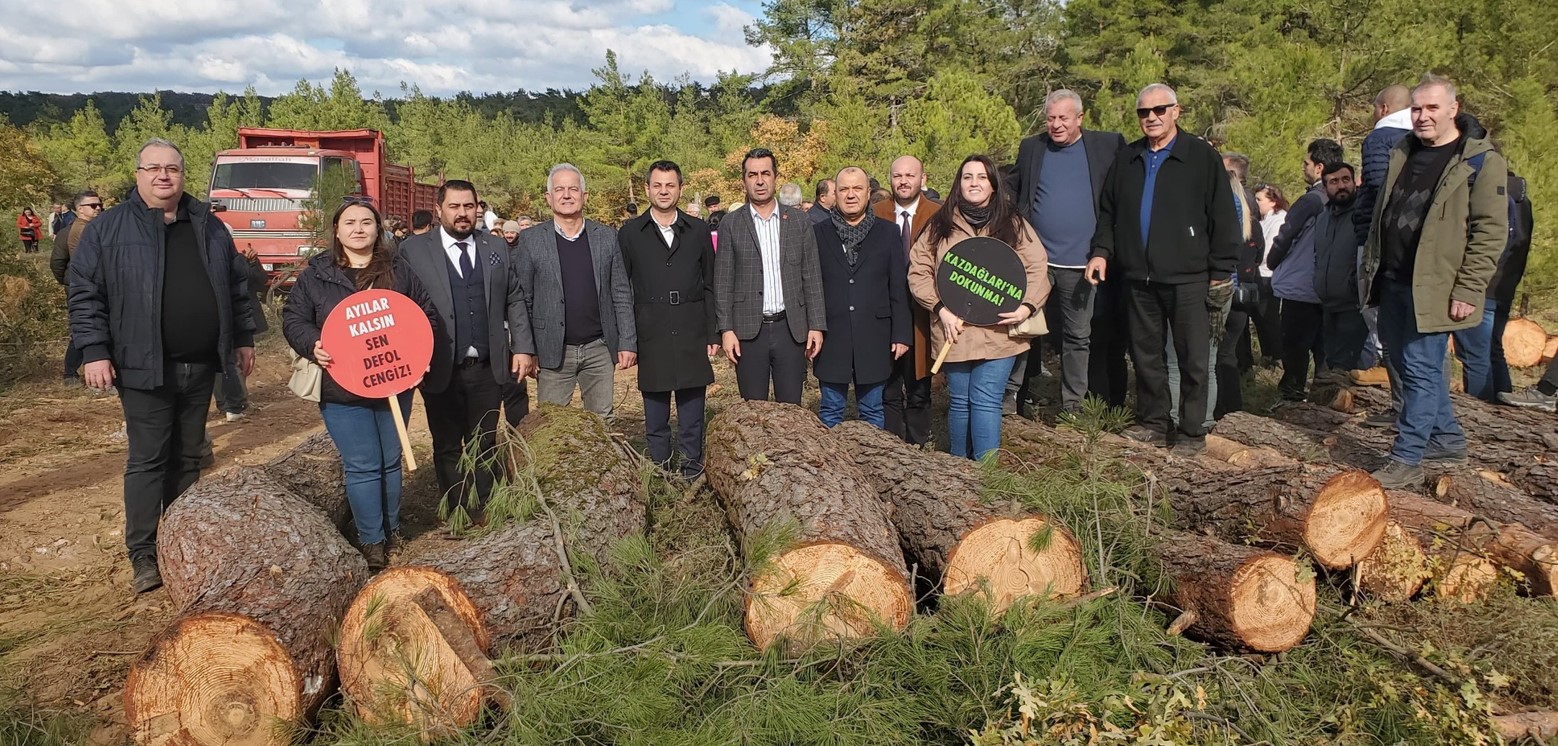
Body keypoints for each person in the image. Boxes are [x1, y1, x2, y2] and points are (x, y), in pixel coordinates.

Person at [68, 138, 258, 593]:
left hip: (199, 365)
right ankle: (144, 555)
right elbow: (85, 295)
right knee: (149, 459)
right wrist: (94, 350)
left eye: (171, 168)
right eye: (153, 168)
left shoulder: (208, 225)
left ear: (182, 174)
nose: (163, 176)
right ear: (138, 175)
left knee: (188, 459)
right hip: (141, 366)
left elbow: (236, 287)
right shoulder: (108, 230)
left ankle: (180, 545)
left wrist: (244, 338)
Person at [1361, 74, 1507, 489]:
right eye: (1417, 109)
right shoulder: (1403, 150)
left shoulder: (1478, 160)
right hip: (1392, 279)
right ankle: (1446, 438)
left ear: (1453, 109)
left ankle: (1407, 458)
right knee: (1403, 366)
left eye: (1432, 109)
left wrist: (1468, 287)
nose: (1423, 117)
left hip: (1438, 284)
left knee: (1423, 368)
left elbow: (1490, 232)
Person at [283, 201, 439, 570]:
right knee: (363, 464)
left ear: (378, 228)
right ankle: (372, 541)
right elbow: (294, 318)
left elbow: (425, 315)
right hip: (342, 387)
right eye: (350, 222)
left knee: (389, 460)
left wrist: (419, 358)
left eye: (366, 222)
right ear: (336, 230)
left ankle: (393, 530)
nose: (358, 229)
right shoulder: (317, 273)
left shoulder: (399, 270)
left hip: (393, 382)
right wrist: (312, 344)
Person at [1087, 83, 1239, 455]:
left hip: (1189, 277)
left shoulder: (1200, 157)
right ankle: (1153, 422)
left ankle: (1191, 432)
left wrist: (1220, 268)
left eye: (1159, 110)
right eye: (1143, 112)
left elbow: (1222, 215)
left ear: (1176, 111)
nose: (1151, 118)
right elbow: (1108, 212)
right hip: (1137, 277)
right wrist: (1102, 251)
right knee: (1145, 355)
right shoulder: (1128, 159)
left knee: (1193, 358)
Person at [399, 179, 533, 511]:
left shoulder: (496, 247)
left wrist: (523, 347)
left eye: (469, 207)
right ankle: (458, 509)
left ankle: (486, 506)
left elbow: (514, 298)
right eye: (455, 207)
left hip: (488, 366)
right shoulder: (413, 251)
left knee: (485, 441)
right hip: (439, 365)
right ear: (439, 210)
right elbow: (400, 307)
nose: (462, 214)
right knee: (447, 445)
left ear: (478, 209)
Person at [911, 155, 1049, 460]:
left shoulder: (1013, 223)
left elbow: (1037, 267)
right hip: (953, 331)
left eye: (982, 177)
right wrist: (940, 310)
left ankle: (986, 474)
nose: (974, 183)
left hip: (1000, 333)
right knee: (960, 400)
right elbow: (918, 271)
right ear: (958, 184)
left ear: (993, 185)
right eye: (967, 177)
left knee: (986, 398)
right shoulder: (939, 225)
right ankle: (960, 470)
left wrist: (1027, 307)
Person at [1005, 89, 1128, 416]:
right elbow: (1013, 188)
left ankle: (1073, 406)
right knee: (1022, 332)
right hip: (1036, 263)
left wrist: (1104, 249)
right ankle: (1010, 399)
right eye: (1050, 118)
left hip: (1082, 264)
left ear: (1080, 118)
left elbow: (1117, 201)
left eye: (1063, 118)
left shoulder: (1107, 146)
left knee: (1078, 338)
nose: (1056, 125)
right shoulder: (1032, 148)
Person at [514, 164, 635, 416]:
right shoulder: (531, 240)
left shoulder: (606, 237)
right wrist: (527, 349)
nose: (566, 195)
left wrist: (627, 341)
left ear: (584, 196)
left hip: (599, 348)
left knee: (602, 422)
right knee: (551, 425)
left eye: (573, 189)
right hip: (553, 351)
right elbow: (523, 299)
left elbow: (621, 293)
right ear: (549, 198)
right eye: (559, 189)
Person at [619, 161, 716, 478]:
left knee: (692, 411)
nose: (663, 191)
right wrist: (628, 339)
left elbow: (710, 283)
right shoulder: (631, 233)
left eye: (670, 185)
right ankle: (659, 472)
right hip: (652, 329)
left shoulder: (698, 229)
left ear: (680, 188)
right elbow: (622, 288)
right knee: (656, 414)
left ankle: (691, 469)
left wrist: (713, 334)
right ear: (647, 189)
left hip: (691, 327)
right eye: (657, 185)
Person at [714, 148, 826, 403]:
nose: (760, 180)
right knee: (754, 412)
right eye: (752, 175)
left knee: (791, 409)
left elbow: (811, 275)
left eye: (765, 173)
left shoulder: (798, 221)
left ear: (776, 177)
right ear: (744, 180)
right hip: (748, 332)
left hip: (791, 328)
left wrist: (816, 325)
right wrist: (726, 329)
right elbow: (723, 282)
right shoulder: (731, 224)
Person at [814, 167, 911, 428]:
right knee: (831, 410)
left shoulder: (888, 233)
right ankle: (830, 467)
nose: (851, 195)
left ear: (868, 193)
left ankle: (873, 465)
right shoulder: (818, 233)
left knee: (872, 409)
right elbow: (811, 285)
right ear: (834, 194)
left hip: (875, 334)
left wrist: (901, 333)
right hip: (832, 334)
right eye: (844, 189)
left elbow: (897, 286)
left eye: (857, 188)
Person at [1268, 138, 1345, 400]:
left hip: (1301, 287)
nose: (1304, 167)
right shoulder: (1345, 199)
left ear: (1320, 167)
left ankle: (1291, 398)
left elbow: (1286, 235)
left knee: (1295, 348)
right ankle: (1324, 397)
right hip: (1331, 287)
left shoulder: (1312, 201)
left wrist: (1272, 261)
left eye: (1307, 163)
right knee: (1324, 351)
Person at [875, 155, 941, 445]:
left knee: (919, 385)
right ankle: (891, 446)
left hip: (923, 314)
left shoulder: (939, 214)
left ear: (922, 179)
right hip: (885, 313)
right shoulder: (875, 212)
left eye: (910, 175)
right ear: (890, 180)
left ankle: (917, 444)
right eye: (898, 176)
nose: (903, 181)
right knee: (887, 385)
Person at [1311, 163, 1368, 373]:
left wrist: (1356, 286)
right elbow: (1318, 256)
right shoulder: (1322, 218)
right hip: (1327, 304)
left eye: (1346, 180)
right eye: (1334, 182)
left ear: (1354, 182)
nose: (1341, 186)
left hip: (1353, 306)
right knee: (1329, 362)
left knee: (1345, 367)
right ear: (1325, 187)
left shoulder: (1363, 216)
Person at [213, 244, 272, 422]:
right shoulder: (211, 261)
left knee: (238, 360)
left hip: (239, 317)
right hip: (221, 318)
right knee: (227, 361)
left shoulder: (240, 260)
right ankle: (232, 404)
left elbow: (261, 282)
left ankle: (235, 401)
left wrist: (254, 263)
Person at [51, 191, 103, 386]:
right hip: (80, 287)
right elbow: (57, 262)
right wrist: (68, 282)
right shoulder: (68, 232)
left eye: (99, 205)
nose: (98, 208)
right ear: (80, 209)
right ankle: (71, 373)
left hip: (95, 286)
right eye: (93, 205)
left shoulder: (99, 228)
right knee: (83, 327)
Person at [1252, 183, 1289, 363]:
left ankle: (1276, 355)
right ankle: (1269, 354)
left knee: (1269, 318)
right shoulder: (1262, 219)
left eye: (1259, 199)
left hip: (1268, 274)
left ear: (1273, 201)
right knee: (1260, 318)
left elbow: (1269, 251)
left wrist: (1254, 260)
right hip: (1259, 273)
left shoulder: (1280, 220)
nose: (1256, 202)